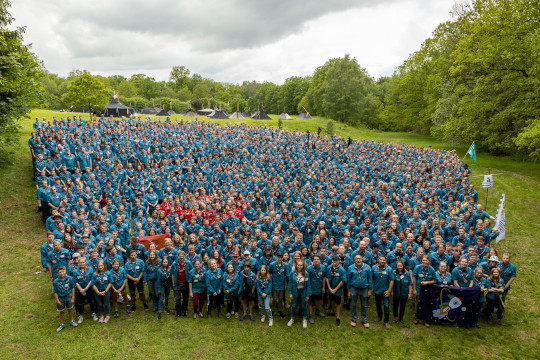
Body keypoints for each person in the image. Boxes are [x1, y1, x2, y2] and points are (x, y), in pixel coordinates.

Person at [347, 254, 372, 328]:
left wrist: (370, 290)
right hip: (354, 288)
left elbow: (370, 279)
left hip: (364, 288)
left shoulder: (367, 267)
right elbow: (348, 280)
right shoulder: (350, 268)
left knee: (364, 305)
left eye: (359, 259)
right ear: (354, 260)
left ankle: (364, 320)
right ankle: (353, 319)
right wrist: (348, 291)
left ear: (362, 259)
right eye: (356, 259)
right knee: (353, 304)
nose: (358, 260)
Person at [412, 255, 436, 327]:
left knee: (426, 304)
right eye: (423, 260)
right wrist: (414, 289)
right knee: (417, 303)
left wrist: (427, 282)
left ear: (429, 261)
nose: (425, 262)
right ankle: (417, 317)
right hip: (419, 288)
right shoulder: (417, 267)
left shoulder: (432, 269)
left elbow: (435, 280)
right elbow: (414, 278)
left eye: (426, 260)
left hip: (427, 289)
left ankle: (425, 319)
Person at [372, 255, 394, 329]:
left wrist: (389, 290)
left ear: (385, 261)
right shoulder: (374, 268)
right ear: (378, 260)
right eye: (380, 260)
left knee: (386, 306)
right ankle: (379, 316)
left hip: (385, 291)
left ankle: (386, 321)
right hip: (377, 290)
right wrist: (372, 288)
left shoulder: (389, 269)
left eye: (383, 260)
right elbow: (372, 278)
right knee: (378, 304)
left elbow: (392, 280)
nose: (382, 261)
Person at [73, 256, 97, 323]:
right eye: (80, 262)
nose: (82, 263)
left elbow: (91, 280)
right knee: (80, 302)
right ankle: (81, 315)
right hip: (79, 289)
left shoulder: (90, 270)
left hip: (88, 288)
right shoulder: (75, 272)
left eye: (83, 262)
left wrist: (86, 289)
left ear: (86, 262)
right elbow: (76, 282)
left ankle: (93, 313)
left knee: (91, 301)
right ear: (78, 263)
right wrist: (81, 290)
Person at [52, 266, 77, 332]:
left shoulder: (70, 279)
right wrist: (57, 301)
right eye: (60, 272)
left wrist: (73, 298)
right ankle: (62, 324)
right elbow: (55, 292)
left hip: (68, 297)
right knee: (61, 311)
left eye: (63, 271)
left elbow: (73, 288)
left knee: (70, 309)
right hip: (61, 298)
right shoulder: (56, 281)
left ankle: (72, 321)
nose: (62, 273)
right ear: (58, 273)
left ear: (65, 271)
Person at [288, 258, 311, 328]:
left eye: (301, 265)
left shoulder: (306, 273)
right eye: (298, 265)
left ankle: (304, 319)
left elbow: (308, 285)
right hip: (295, 291)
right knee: (294, 305)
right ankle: (292, 318)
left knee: (303, 305)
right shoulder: (292, 273)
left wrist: (307, 295)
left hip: (303, 291)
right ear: (296, 265)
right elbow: (290, 284)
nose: (299, 267)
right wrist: (290, 293)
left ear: (303, 266)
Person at [325, 255, 346, 326]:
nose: (334, 262)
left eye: (336, 260)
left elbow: (343, 281)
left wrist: (335, 289)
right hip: (330, 288)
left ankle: (338, 317)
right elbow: (327, 278)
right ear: (332, 261)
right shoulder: (328, 268)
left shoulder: (341, 269)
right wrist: (330, 288)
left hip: (337, 289)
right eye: (333, 260)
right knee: (332, 300)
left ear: (338, 261)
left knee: (338, 302)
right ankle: (332, 312)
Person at [172, 250, 192, 317]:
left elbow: (192, 272)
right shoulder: (174, 264)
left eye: (182, 256)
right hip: (177, 283)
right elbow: (172, 274)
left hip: (185, 283)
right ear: (178, 256)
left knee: (185, 299)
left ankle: (184, 311)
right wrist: (173, 283)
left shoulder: (188, 263)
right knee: (177, 299)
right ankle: (178, 311)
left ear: (184, 256)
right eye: (180, 256)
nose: (181, 258)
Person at [307, 254, 326, 324]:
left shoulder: (323, 267)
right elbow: (307, 279)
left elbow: (324, 277)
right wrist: (309, 289)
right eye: (315, 259)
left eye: (317, 259)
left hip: (319, 287)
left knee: (318, 299)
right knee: (310, 301)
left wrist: (323, 287)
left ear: (320, 260)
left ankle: (317, 311)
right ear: (312, 260)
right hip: (312, 287)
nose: (316, 260)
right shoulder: (309, 268)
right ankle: (311, 315)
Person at [392, 259, 412, 324]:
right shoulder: (393, 272)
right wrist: (391, 291)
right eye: (398, 265)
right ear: (396, 266)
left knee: (403, 306)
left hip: (404, 293)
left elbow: (409, 283)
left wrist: (410, 293)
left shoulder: (407, 273)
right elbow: (391, 282)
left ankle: (401, 317)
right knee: (395, 305)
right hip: (396, 292)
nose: (399, 267)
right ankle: (395, 317)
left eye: (401, 265)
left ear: (403, 266)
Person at [269, 252, 287, 319]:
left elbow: (285, 275)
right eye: (278, 257)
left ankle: (280, 310)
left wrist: (285, 284)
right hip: (274, 283)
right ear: (276, 257)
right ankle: (273, 310)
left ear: (282, 257)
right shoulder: (272, 264)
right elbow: (269, 272)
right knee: (274, 298)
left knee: (280, 298)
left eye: (281, 257)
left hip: (281, 284)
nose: (280, 258)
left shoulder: (284, 265)